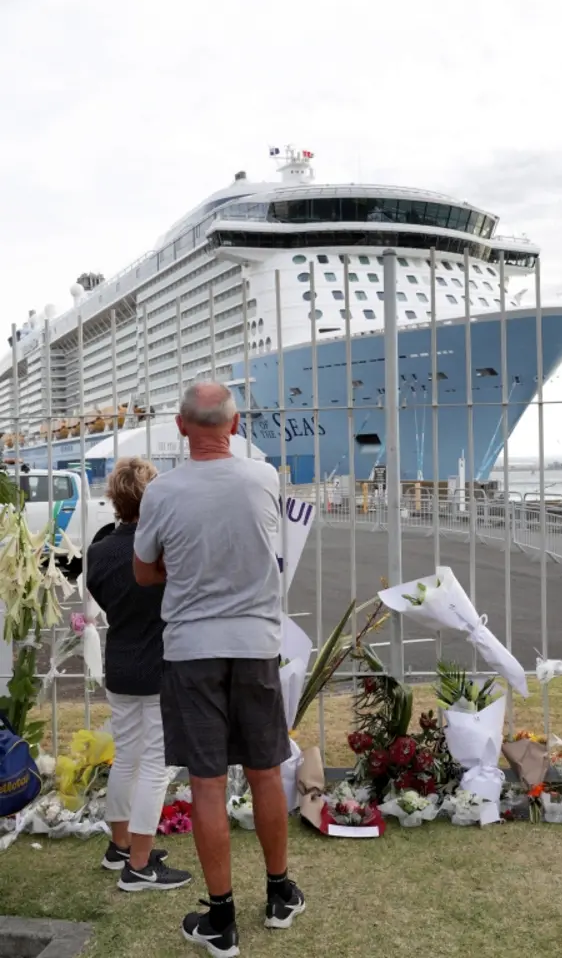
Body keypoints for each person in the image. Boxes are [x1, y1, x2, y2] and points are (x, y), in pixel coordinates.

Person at [134, 382, 305, 957]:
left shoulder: (161, 492)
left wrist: (179, 573)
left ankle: (221, 918)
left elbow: (143, 572)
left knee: (206, 783)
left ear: (181, 428)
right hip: (255, 641)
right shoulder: (263, 478)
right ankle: (280, 893)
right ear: (233, 426)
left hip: (191, 649)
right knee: (264, 769)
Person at [86, 456, 192, 893]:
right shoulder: (161, 549)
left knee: (127, 757)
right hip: (157, 664)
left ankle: (120, 846)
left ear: (113, 498)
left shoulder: (98, 549)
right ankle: (141, 864)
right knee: (154, 765)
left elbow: (100, 591)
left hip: (121, 661)